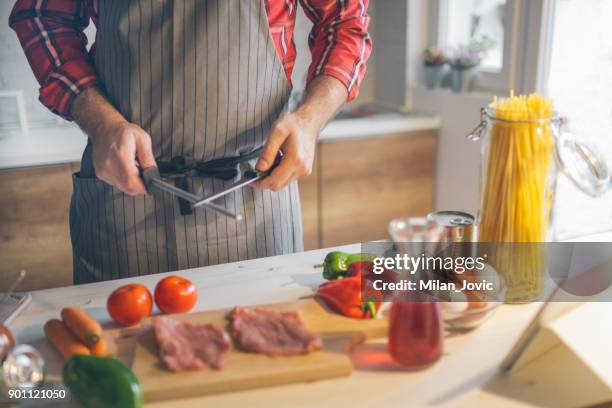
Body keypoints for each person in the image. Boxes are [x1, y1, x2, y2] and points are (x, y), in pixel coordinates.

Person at [9, 0, 371, 283]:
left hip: (256, 198)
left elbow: (346, 21)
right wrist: (103, 124)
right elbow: (41, 17)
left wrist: (309, 120)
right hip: (124, 200)